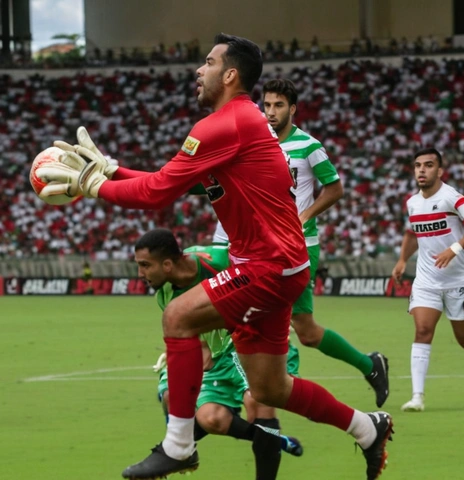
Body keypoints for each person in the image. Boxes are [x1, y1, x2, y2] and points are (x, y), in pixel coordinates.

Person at [40, 33, 392, 480]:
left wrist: (94, 186)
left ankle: (179, 445)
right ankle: (368, 428)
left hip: (268, 265)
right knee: (270, 387)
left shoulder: (224, 124)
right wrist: (110, 169)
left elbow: (155, 194)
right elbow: (169, 181)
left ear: (230, 74)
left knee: (178, 317)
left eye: (207, 62)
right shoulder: (240, 124)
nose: (198, 70)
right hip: (280, 263)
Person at [136, 228, 303, 480]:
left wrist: (279, 316)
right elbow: (197, 335)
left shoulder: (220, 260)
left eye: (145, 265)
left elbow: (267, 272)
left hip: (256, 334)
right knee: (205, 415)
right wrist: (200, 353)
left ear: (168, 264)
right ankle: (186, 450)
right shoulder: (166, 294)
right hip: (222, 349)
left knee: (257, 402)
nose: (140, 274)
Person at [263, 78, 389, 407]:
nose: (272, 112)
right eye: (267, 105)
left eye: (278, 105)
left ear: (292, 108)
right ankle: (279, 381)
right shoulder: (258, 143)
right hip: (264, 245)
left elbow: (334, 188)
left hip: (299, 245)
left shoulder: (308, 145)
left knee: (304, 330)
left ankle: (368, 365)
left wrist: (304, 215)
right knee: (265, 315)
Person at [392, 148, 464, 412]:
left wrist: (455, 249)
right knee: (422, 331)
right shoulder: (413, 203)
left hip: (458, 280)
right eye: (418, 165)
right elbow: (411, 233)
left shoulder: (453, 198)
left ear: (439, 171)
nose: (421, 170)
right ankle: (417, 396)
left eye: (428, 165)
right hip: (427, 280)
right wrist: (403, 260)